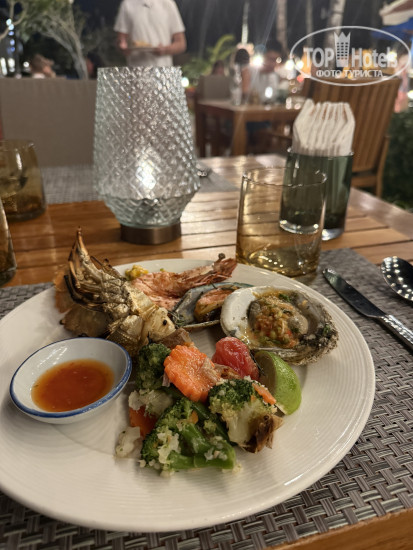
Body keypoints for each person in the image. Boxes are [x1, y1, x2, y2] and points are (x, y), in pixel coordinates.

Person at [114, 0, 186, 67]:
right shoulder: (127, 4)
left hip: (163, 70)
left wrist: (165, 50)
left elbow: (181, 44)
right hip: (135, 70)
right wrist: (123, 46)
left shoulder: (168, 4)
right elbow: (121, 40)